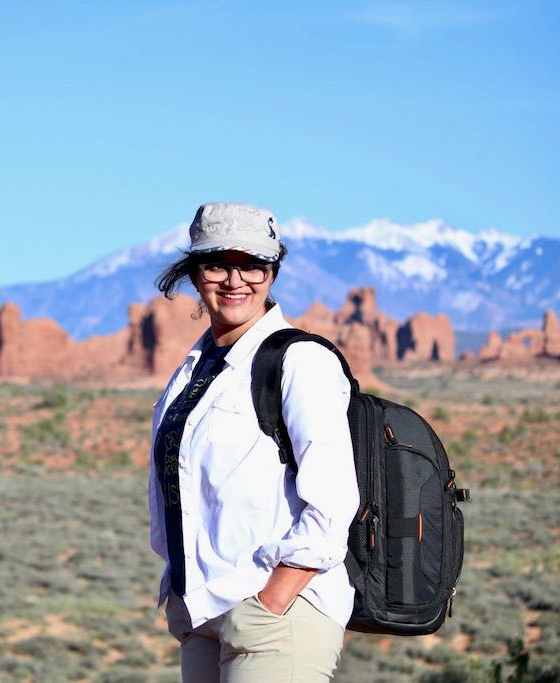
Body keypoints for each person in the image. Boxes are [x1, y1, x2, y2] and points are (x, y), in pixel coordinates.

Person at [149, 202, 360, 682]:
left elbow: (333, 499)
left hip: (273, 613)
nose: (235, 280)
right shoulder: (192, 370)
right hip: (201, 610)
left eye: (253, 266)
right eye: (217, 264)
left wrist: (271, 602)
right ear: (194, 272)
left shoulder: (300, 360)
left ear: (273, 271)